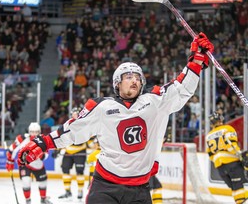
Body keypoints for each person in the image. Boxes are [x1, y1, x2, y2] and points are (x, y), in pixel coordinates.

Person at [18, 32, 214, 204]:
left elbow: (181, 89)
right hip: (105, 187)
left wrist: (196, 61)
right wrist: (42, 143)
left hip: (140, 189)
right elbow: (73, 130)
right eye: (128, 76)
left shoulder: (155, 101)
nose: (135, 80)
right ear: (117, 83)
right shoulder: (102, 107)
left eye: (138, 77)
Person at [6, 122, 52, 204]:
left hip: (38, 165)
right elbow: (12, 149)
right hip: (25, 164)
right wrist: (10, 161)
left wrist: (39, 154)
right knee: (26, 181)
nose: (34, 134)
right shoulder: (22, 138)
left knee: (43, 182)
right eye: (32, 132)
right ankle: (28, 200)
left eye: (36, 132)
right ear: (29, 132)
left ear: (40, 132)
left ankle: (43, 199)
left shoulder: (44, 140)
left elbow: (46, 155)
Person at [206, 111, 247, 203]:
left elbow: (210, 155)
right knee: (239, 184)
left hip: (220, 167)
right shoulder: (227, 129)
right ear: (220, 119)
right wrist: (240, 155)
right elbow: (231, 145)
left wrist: (219, 160)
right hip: (232, 162)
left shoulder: (208, 136)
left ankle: (240, 201)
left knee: (235, 187)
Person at [52, 107, 91, 201]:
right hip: (68, 151)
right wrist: (57, 149)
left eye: (77, 113)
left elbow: (91, 139)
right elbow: (62, 138)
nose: (76, 115)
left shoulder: (85, 125)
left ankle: (80, 192)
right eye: (74, 113)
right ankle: (67, 192)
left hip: (80, 151)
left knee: (79, 172)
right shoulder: (67, 125)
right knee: (65, 170)